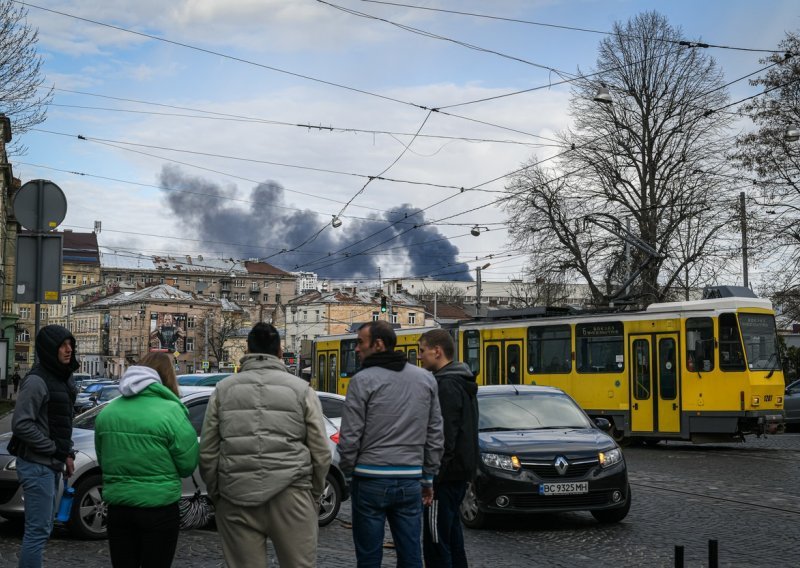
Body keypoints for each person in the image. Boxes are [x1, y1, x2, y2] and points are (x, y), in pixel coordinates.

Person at [199, 323, 331, 568]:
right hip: (292, 494)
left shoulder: (223, 390)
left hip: (236, 494)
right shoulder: (301, 389)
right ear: (280, 352)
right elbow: (321, 452)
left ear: (247, 349)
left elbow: (208, 452)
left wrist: (218, 493)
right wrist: (312, 493)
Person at [338, 321, 444, 568]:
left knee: (368, 556)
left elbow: (350, 437)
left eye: (360, 342)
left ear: (378, 344)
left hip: (370, 479)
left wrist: (347, 473)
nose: (356, 349)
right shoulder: (425, 379)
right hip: (410, 480)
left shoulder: (362, 381)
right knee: (410, 554)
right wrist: (428, 477)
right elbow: (435, 434)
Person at [94, 352, 199, 568]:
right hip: (159, 508)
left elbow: (104, 461)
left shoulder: (108, 412)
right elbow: (187, 465)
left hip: (119, 507)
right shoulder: (172, 412)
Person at [9, 325, 79, 568]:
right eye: (63, 345)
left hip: (52, 464)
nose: (69, 349)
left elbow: (61, 423)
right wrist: (53, 449)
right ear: (50, 349)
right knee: (37, 532)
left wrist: (66, 453)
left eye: (70, 344)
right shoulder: (37, 381)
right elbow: (22, 425)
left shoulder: (63, 377)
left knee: (44, 528)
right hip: (36, 465)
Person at [418, 329, 479, 568]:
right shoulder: (462, 380)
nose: (420, 357)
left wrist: (432, 478)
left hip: (444, 479)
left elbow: (444, 438)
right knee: (453, 538)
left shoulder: (446, 385)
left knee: (436, 542)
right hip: (459, 474)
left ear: (437, 351)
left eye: (422, 351)